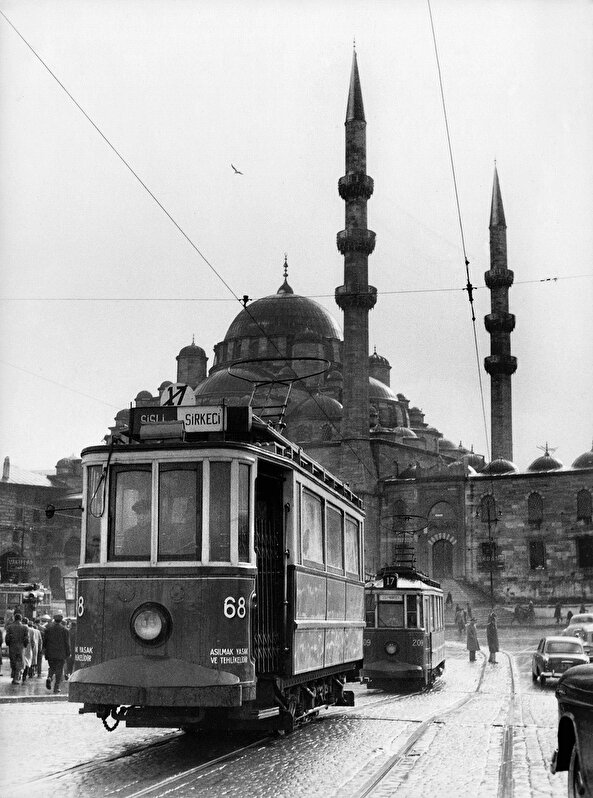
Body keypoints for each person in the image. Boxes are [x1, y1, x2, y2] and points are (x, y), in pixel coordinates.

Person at [43, 613, 70, 694]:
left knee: (52, 667)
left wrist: (45, 652)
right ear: (61, 620)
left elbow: (45, 642)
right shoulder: (65, 630)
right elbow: (67, 643)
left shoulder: (48, 629)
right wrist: (68, 653)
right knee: (59, 670)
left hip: (50, 653)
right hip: (61, 654)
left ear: (54, 619)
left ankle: (49, 677)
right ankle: (56, 687)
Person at [5, 613, 29, 685]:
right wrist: (25, 645)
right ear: (21, 619)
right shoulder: (25, 628)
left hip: (12, 647)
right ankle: (16, 678)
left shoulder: (9, 627)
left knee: (13, 661)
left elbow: (7, 638)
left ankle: (14, 675)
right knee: (20, 663)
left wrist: (8, 644)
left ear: (15, 619)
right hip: (21, 647)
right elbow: (26, 639)